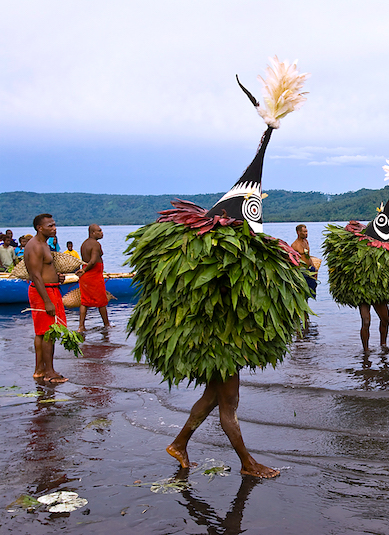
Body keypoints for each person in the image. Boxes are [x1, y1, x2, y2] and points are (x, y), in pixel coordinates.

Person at [127, 59, 311, 478]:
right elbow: (229, 293)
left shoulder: (216, 262)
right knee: (228, 405)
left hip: (216, 345)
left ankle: (178, 444)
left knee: (212, 399)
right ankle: (248, 464)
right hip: (220, 347)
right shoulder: (217, 264)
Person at [322, 139, 389, 354]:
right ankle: (366, 350)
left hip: (379, 291)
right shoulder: (361, 246)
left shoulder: (387, 250)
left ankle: (383, 345)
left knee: (386, 319)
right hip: (363, 291)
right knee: (366, 321)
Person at [24, 213, 68, 383]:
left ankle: (40, 370)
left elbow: (44, 271)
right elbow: (35, 275)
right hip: (43, 293)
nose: (54, 228)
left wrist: (57, 277)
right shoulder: (35, 245)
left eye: (54, 225)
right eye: (50, 226)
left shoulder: (44, 244)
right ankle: (50, 372)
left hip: (50, 288)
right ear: (39, 228)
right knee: (49, 332)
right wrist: (47, 301)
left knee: (42, 333)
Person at [77, 224, 111, 332]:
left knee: (85, 302)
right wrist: (84, 270)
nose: (102, 232)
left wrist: (83, 271)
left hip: (86, 277)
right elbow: (92, 261)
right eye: (99, 231)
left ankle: (81, 326)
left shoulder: (84, 244)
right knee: (101, 301)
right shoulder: (95, 244)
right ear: (92, 233)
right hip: (93, 275)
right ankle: (106, 324)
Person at [291, 224, 317, 335]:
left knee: (309, 295)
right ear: (298, 232)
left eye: (307, 231)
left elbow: (308, 257)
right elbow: (294, 260)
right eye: (304, 232)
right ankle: (300, 322)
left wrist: (314, 269)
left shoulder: (306, 242)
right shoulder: (294, 245)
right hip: (301, 272)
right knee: (301, 296)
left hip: (309, 271)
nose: (306, 233)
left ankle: (306, 320)